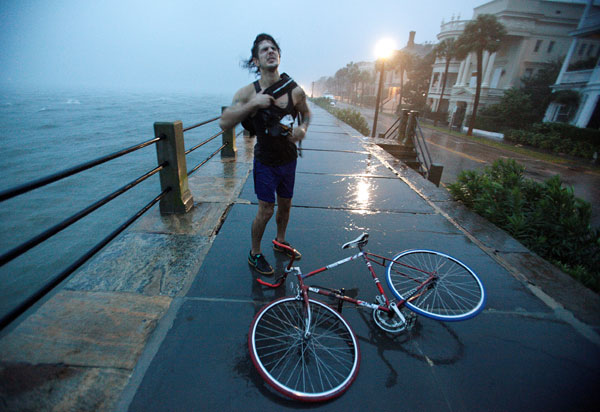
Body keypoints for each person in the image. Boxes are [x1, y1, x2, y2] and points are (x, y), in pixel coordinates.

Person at [219, 33, 311, 275]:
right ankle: (255, 252)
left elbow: (307, 114)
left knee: (286, 205)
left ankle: (280, 240)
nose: (270, 51)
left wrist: (302, 128)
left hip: (289, 159)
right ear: (256, 61)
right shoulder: (247, 92)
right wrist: (253, 104)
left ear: (279, 56)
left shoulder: (295, 90)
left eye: (274, 48)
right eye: (264, 50)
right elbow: (224, 122)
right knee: (266, 209)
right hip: (265, 161)